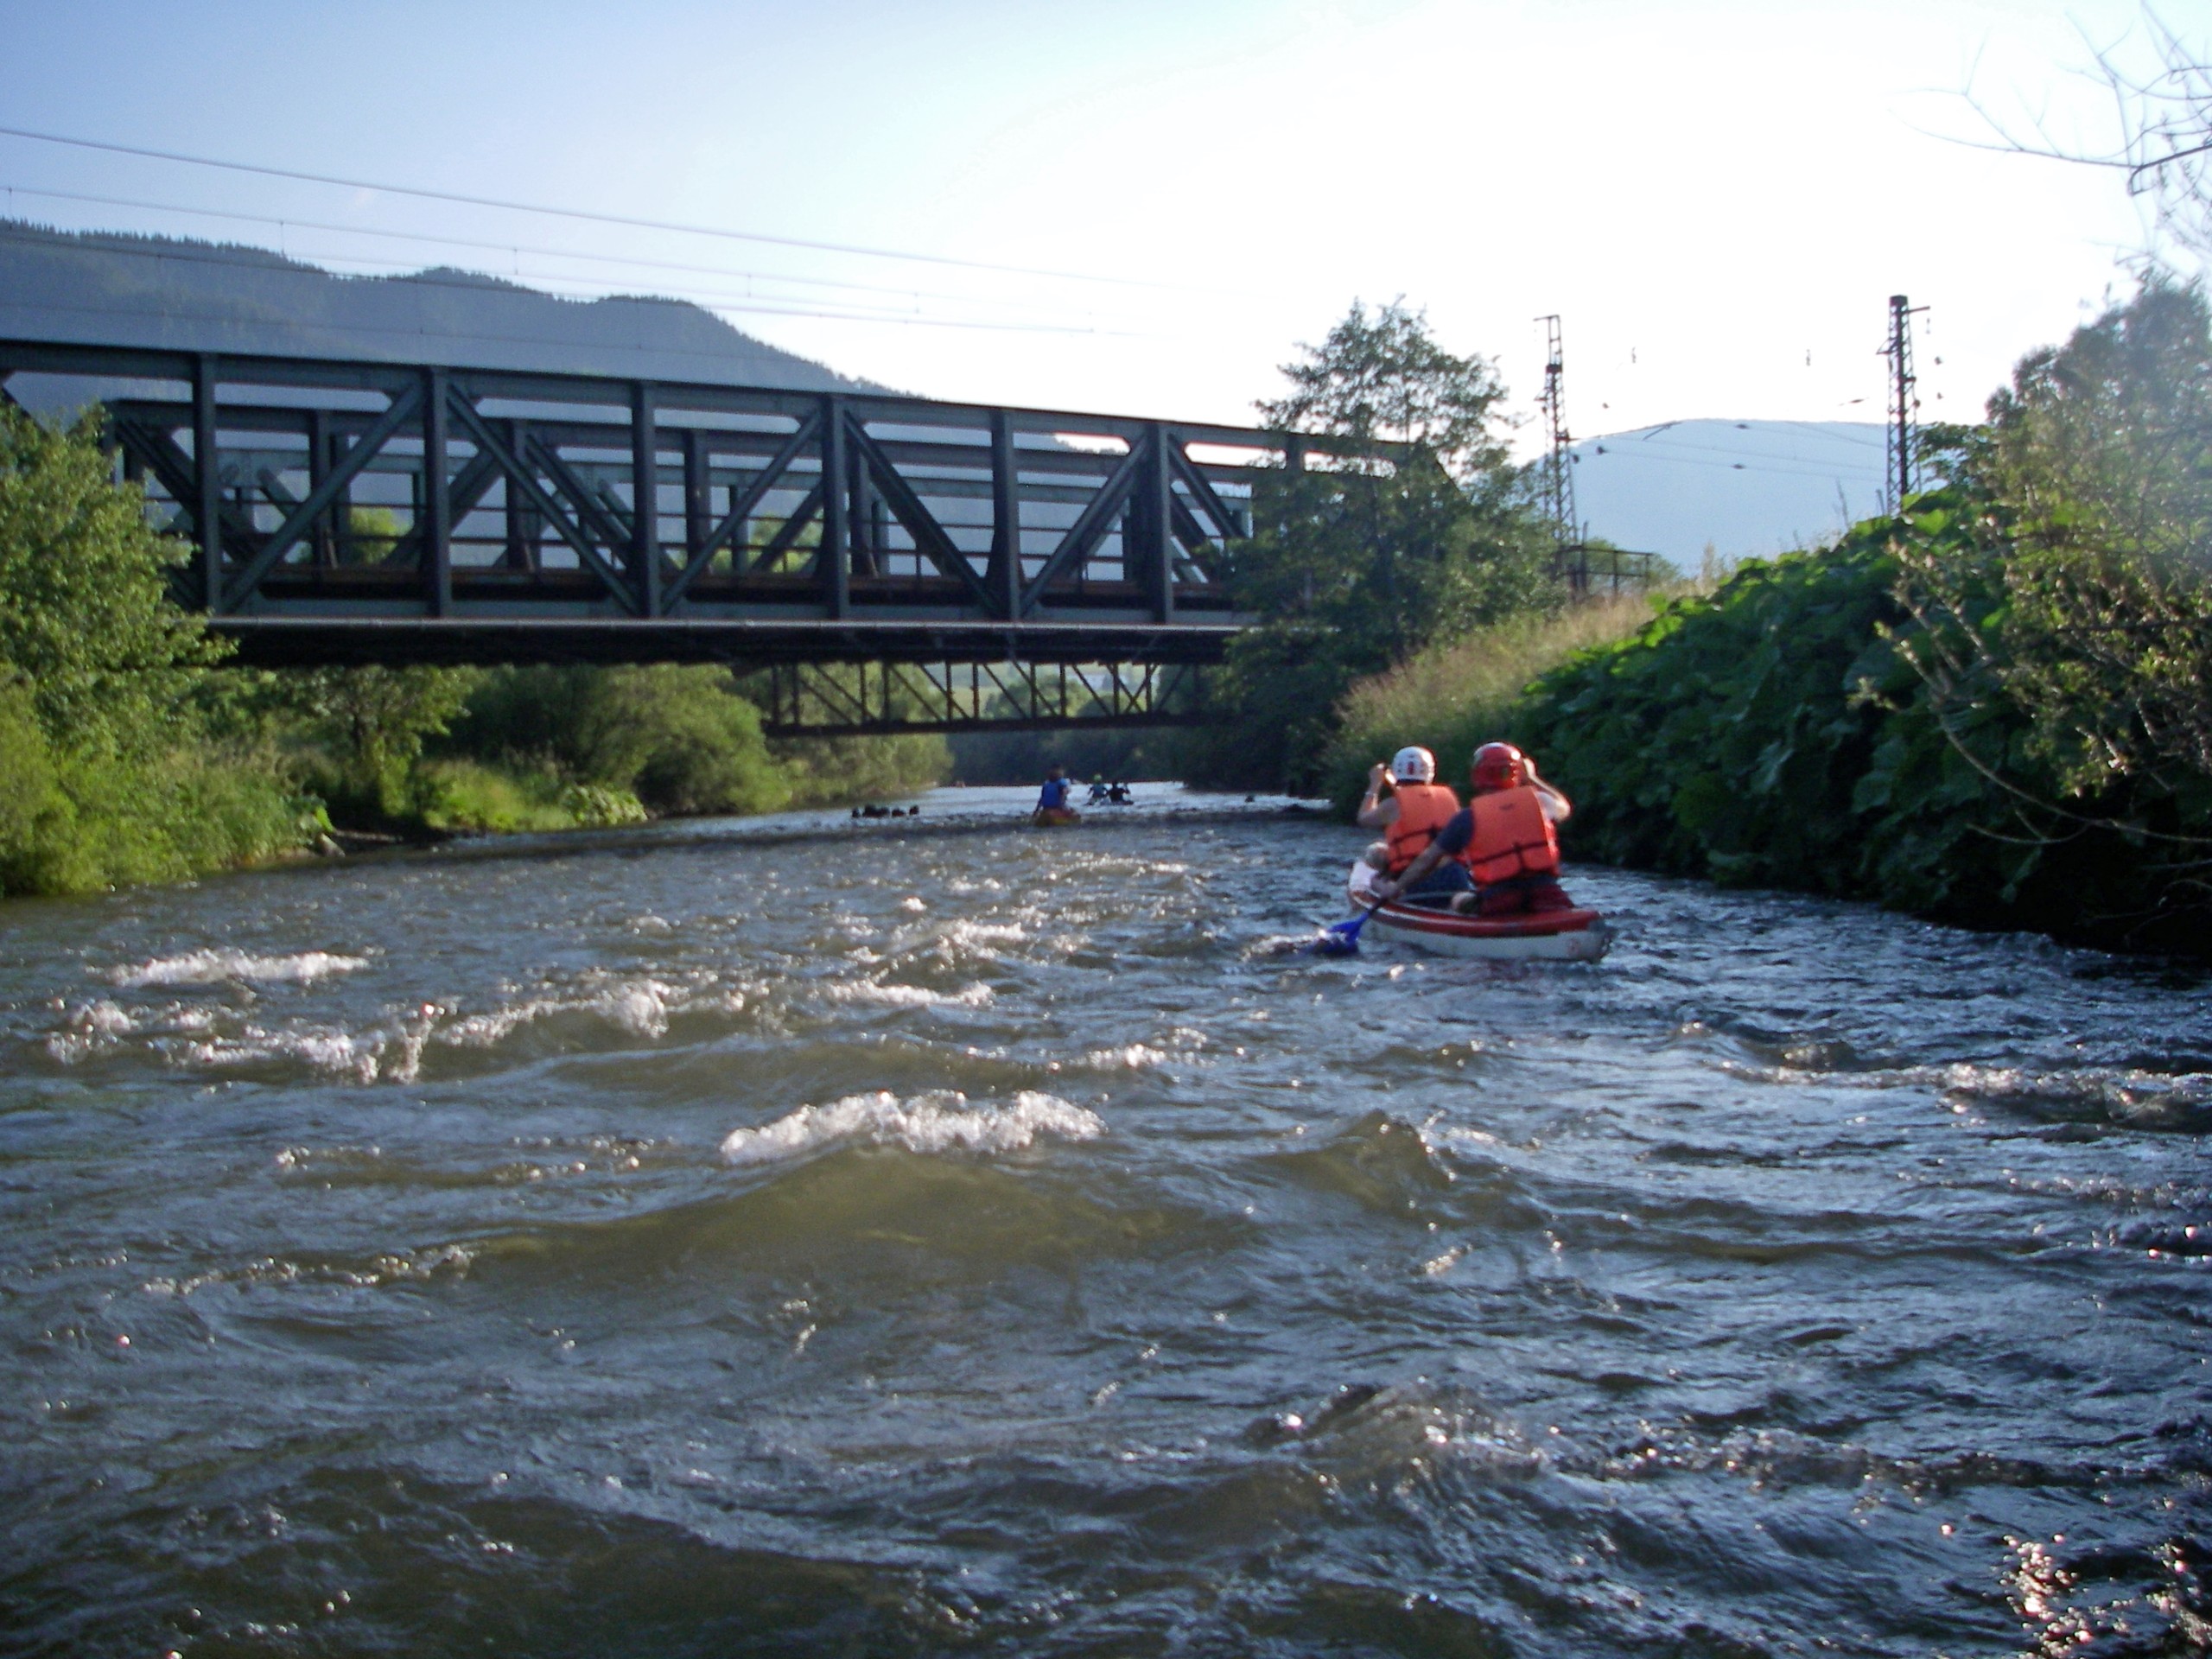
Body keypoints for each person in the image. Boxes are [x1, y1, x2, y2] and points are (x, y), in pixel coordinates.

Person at [1373, 741, 1576, 916]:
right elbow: (1564, 807)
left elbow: (1427, 860)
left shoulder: (1468, 818)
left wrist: (1397, 887)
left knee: (1458, 899)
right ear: (1516, 773)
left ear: (1478, 774)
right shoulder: (1540, 803)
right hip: (1547, 894)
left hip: (1499, 901)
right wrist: (1531, 778)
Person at [1357, 746, 1471, 903]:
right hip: (1455, 876)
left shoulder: (1393, 804)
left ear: (1396, 771)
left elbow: (1363, 818)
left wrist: (1375, 784)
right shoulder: (1448, 798)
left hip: (1413, 880)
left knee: (1375, 877)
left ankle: (1390, 895)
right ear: (1430, 771)